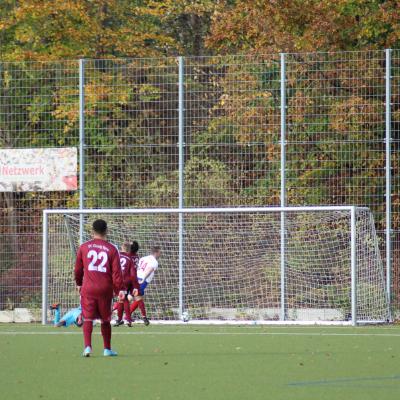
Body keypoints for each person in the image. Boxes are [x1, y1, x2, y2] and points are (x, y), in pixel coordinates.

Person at [74, 219, 125, 357]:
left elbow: (78, 269)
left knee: (88, 318)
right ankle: (107, 349)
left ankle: (87, 347)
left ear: (92, 232)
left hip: (88, 288)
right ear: (106, 231)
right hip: (105, 289)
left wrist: (78, 283)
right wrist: (120, 289)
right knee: (105, 319)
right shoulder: (112, 248)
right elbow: (116, 273)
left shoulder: (84, 247)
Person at [129, 246, 161, 326]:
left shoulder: (143, 258)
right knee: (133, 298)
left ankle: (129, 315)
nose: (161, 254)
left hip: (135, 277)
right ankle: (116, 311)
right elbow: (149, 270)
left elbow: (137, 267)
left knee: (137, 298)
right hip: (142, 280)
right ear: (156, 252)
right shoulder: (154, 261)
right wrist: (143, 278)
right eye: (160, 252)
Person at [114, 242, 139, 327]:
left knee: (121, 299)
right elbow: (132, 274)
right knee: (124, 300)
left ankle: (119, 319)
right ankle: (127, 319)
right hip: (125, 280)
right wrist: (135, 286)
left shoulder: (116, 255)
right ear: (129, 249)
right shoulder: (129, 258)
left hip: (116, 279)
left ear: (122, 248)